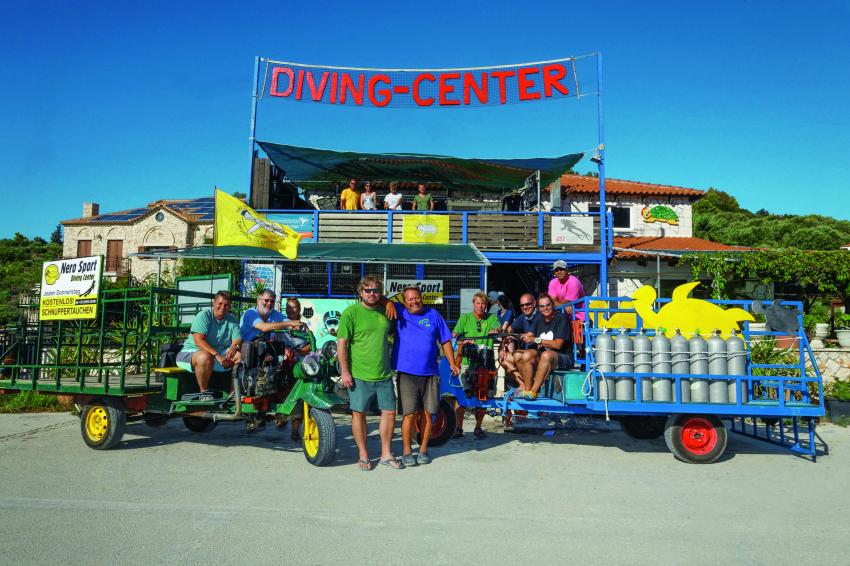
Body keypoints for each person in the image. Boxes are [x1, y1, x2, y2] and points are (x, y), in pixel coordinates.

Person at [337, 275, 402, 470]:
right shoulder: (351, 313)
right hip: (359, 375)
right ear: (360, 292)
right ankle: (363, 455)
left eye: (375, 290)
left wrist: (389, 302)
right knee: (359, 414)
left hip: (384, 374)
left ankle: (386, 454)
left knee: (390, 413)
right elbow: (342, 345)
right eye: (368, 290)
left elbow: (402, 324)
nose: (372, 294)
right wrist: (345, 372)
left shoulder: (385, 312)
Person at [392, 286, 460, 466]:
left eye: (417, 298)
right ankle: (407, 451)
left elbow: (445, 340)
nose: (414, 301)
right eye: (410, 299)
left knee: (428, 414)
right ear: (404, 302)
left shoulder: (433, 314)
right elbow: (381, 299)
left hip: (430, 373)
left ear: (422, 298)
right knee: (409, 415)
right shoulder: (399, 312)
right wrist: (389, 304)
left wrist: (452, 363)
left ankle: (423, 449)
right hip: (407, 373)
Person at [175, 291, 242, 401]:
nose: (222, 307)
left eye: (226, 305)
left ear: (229, 306)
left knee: (239, 356)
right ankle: (204, 392)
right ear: (214, 303)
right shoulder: (203, 315)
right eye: (220, 303)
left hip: (215, 354)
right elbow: (199, 341)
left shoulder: (231, 319)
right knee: (205, 357)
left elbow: (237, 338)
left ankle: (233, 393)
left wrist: (234, 346)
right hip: (191, 353)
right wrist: (217, 355)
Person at [452, 291, 500, 439]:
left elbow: (499, 329)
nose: (480, 306)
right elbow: (454, 337)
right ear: (473, 304)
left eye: (483, 303)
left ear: (486, 305)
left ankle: (478, 427)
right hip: (466, 362)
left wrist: (496, 330)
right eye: (478, 303)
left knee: (483, 395)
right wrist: (464, 341)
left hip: (486, 363)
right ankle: (458, 428)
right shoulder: (464, 318)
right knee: (461, 396)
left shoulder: (492, 318)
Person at [514, 293, 572, 401]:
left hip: (564, 357)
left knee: (546, 355)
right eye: (542, 306)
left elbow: (558, 345)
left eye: (547, 305)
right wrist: (516, 337)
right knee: (524, 354)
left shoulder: (561, 318)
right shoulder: (539, 319)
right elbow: (531, 334)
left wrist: (536, 339)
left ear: (552, 305)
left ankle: (534, 392)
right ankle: (527, 389)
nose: (545, 308)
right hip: (546, 357)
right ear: (539, 308)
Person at [239, 289, 305, 342]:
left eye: (272, 301)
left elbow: (291, 324)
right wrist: (290, 323)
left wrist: (296, 326)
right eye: (266, 300)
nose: (269, 303)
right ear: (258, 301)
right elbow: (264, 327)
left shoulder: (274, 313)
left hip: (264, 349)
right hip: (246, 349)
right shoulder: (250, 312)